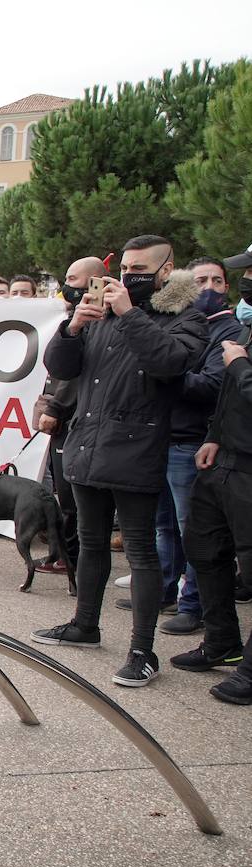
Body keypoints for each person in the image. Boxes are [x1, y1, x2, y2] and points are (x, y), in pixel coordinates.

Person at [31, 235, 208, 687]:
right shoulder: (99, 313)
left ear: (166, 271)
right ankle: (85, 624)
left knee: (142, 554)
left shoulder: (184, 315)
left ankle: (142, 651)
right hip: (89, 442)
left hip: (138, 448)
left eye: (139, 269)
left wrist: (129, 314)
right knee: (90, 543)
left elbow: (170, 362)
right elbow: (61, 367)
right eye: (124, 267)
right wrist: (73, 327)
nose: (127, 276)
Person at [175, 240, 252, 703]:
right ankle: (222, 641)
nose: (244, 280)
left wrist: (240, 364)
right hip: (225, 460)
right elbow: (233, 399)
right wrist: (215, 438)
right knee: (203, 548)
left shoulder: (239, 345)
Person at [35, 257, 108, 579]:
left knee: (73, 500)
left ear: (96, 282)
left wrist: (55, 408)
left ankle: (72, 559)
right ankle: (64, 555)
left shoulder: (100, 322)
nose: (68, 285)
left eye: (74, 279)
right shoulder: (73, 320)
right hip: (67, 423)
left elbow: (77, 376)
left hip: (77, 423)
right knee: (65, 496)